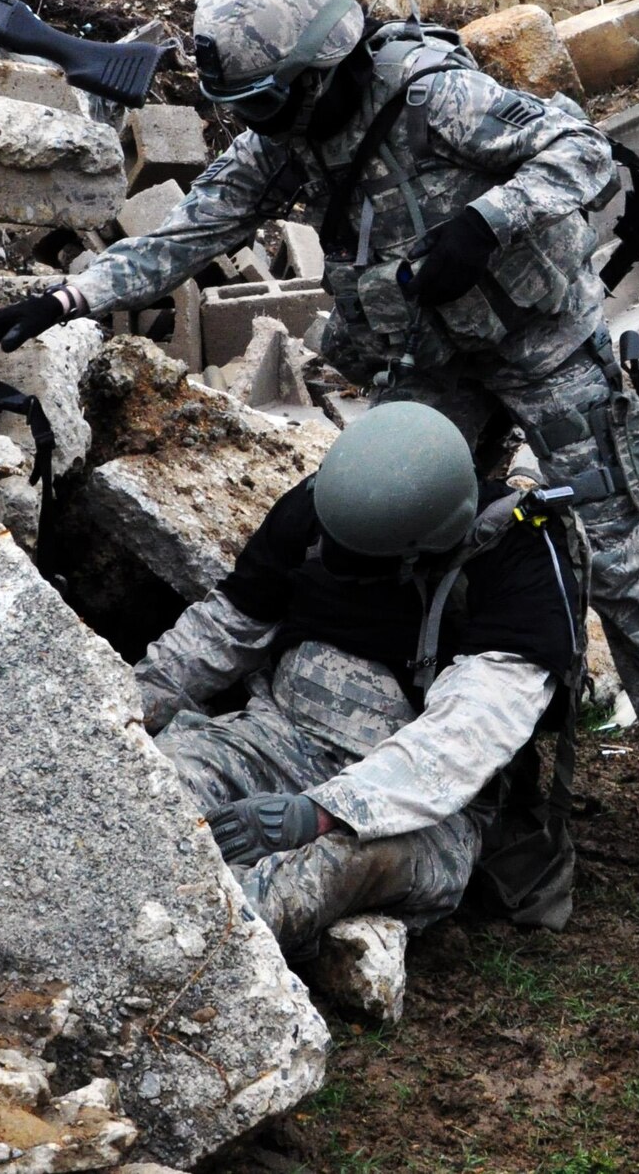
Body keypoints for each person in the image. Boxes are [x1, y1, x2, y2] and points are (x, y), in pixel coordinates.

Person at [0, 0, 639, 869]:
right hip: (433, 358)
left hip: (540, 337)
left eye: (272, 105)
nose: (265, 127)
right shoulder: (289, 140)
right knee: (381, 531)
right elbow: (195, 231)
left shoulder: (434, 93)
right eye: (251, 114)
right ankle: (424, 755)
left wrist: (488, 223)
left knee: (611, 545)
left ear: (322, 71)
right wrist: (65, 299)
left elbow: (579, 150)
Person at [132, 401, 584, 950]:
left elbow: (473, 728)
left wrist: (324, 812)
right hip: (275, 739)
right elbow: (227, 626)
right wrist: (124, 710)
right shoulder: (332, 505)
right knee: (151, 792)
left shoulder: (519, 553)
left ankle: (197, 952)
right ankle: (117, 904)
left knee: (328, 872)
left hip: (419, 803)